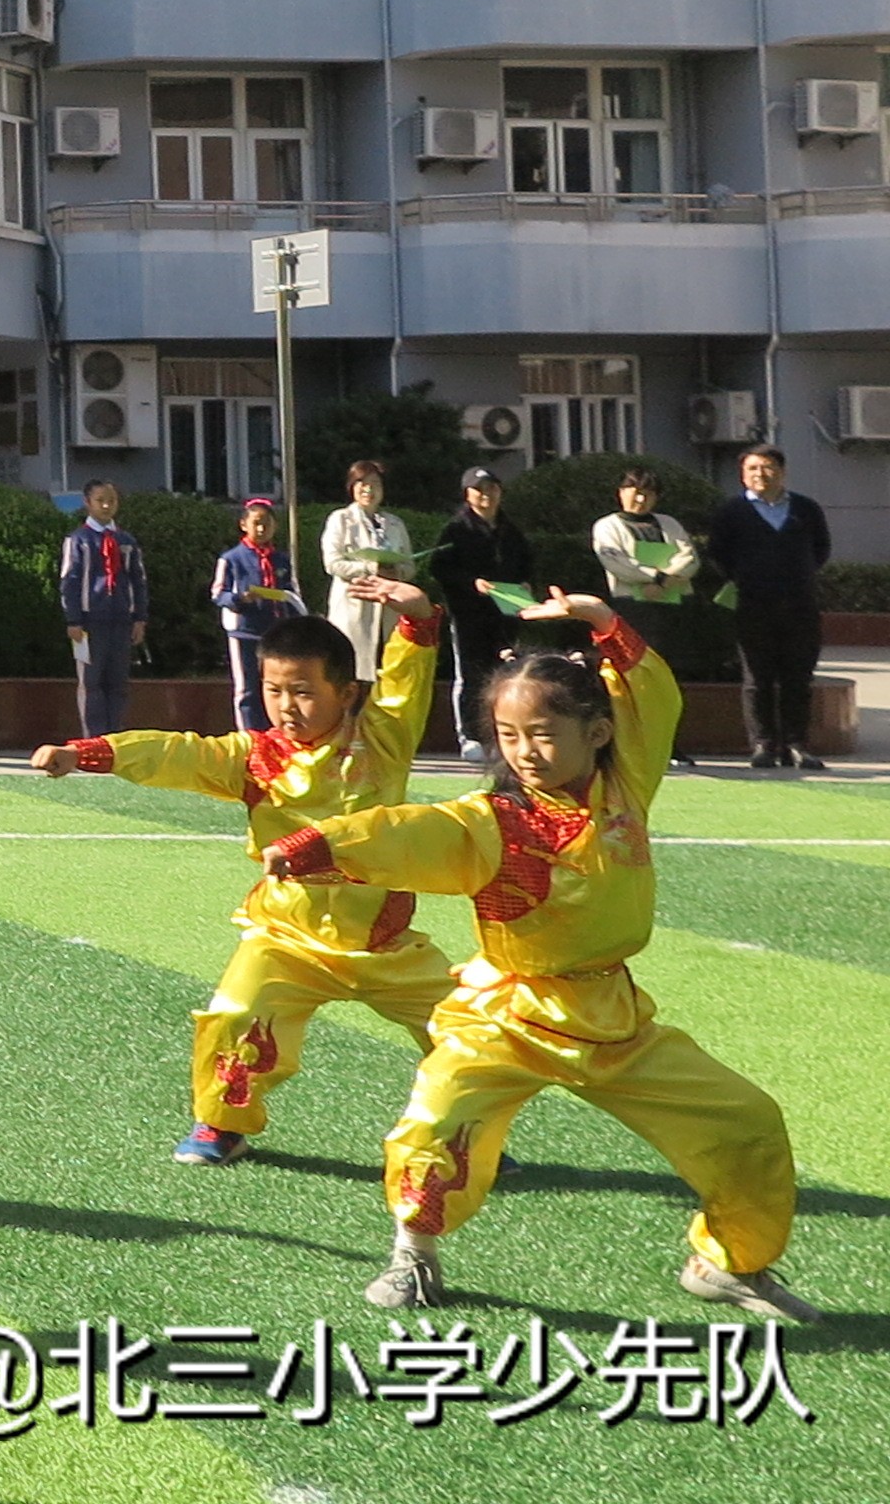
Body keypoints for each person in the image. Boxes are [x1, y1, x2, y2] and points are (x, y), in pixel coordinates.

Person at [267, 590, 816, 1326]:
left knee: (747, 1122)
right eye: (509, 735)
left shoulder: (626, 788)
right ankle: (415, 1255)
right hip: (507, 1015)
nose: (525, 752)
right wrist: (318, 847)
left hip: (611, 1017)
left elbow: (651, 696)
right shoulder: (492, 822)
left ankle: (729, 1262)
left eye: (543, 734)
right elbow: (410, 831)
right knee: (436, 1119)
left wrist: (602, 625)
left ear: (597, 732)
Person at [33, 592, 449, 1166]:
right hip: (286, 939)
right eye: (274, 691)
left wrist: (420, 617)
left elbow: (407, 681)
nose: (286, 706)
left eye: (303, 692)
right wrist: (88, 753)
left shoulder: (383, 740)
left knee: (464, 1028)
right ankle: (222, 1125)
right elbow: (176, 753)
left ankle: (465, 1130)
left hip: (385, 944)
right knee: (233, 1013)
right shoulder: (254, 757)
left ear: (347, 693)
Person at [701, 446, 833, 771]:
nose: (760, 474)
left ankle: (797, 745)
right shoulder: (731, 511)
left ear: (782, 471)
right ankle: (763, 744)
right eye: (753, 469)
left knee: (798, 678)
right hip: (752, 605)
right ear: (743, 475)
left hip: (800, 605)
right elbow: (718, 552)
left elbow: (821, 549)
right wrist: (747, 577)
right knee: (757, 678)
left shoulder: (805, 509)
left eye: (768, 467)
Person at [428, 467, 533, 750]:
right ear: (467, 494)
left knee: (505, 673)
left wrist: (525, 585)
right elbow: (439, 568)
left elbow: (525, 565)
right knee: (471, 675)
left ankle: (500, 734)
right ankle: (471, 736)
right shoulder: (456, 529)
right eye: (479, 489)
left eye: (492, 488)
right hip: (468, 616)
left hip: (506, 615)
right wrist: (472, 583)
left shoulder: (511, 530)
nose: (486, 495)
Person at [55, 481, 149, 737]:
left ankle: (113, 736)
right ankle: (93, 738)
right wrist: (73, 619)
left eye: (112, 500)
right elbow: (69, 581)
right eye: (100, 500)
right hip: (89, 621)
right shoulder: (78, 540)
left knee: (117, 682)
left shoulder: (125, 540)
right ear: (87, 503)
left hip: (120, 620)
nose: (107, 505)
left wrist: (139, 617)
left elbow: (138, 580)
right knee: (91, 681)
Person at [211, 499, 302, 735]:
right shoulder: (231, 559)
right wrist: (240, 599)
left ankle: (275, 735)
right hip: (245, 631)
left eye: (267, 524)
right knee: (248, 688)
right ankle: (250, 739)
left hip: (275, 633)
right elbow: (218, 593)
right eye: (256, 523)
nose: (261, 530)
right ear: (244, 524)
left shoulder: (281, 560)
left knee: (275, 686)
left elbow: (291, 594)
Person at [318, 460, 413, 681]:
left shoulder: (395, 524)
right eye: (362, 483)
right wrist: (371, 567)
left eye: (374, 484)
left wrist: (396, 572)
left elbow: (409, 566)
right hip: (354, 610)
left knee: (388, 676)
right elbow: (332, 563)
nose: (368, 490)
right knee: (352, 676)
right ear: (352, 487)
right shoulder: (340, 519)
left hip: (389, 610)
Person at [591, 466, 699, 611]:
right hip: (631, 604)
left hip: (678, 602)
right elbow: (617, 563)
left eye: (649, 494)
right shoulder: (607, 526)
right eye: (636, 493)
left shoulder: (669, 523)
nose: (641, 500)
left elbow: (689, 557)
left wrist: (665, 580)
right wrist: (656, 578)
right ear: (621, 493)